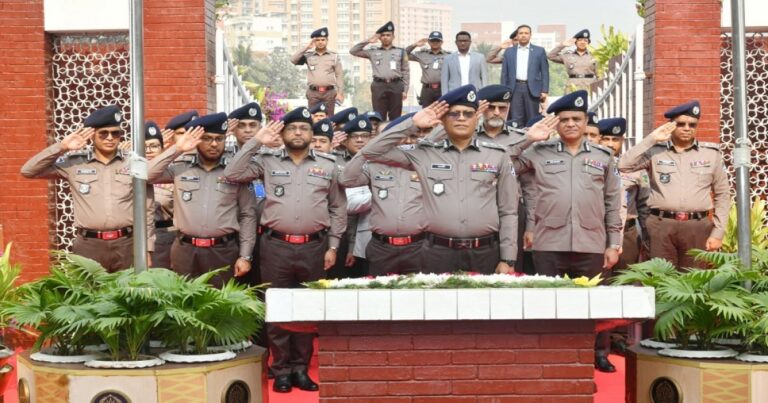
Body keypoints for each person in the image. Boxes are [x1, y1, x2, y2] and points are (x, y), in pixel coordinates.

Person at [223, 106, 346, 393]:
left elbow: (338, 208)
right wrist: (257, 141)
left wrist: (334, 245)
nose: (299, 133)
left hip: (314, 247)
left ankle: (301, 370)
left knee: (306, 310)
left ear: (312, 133)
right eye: (292, 128)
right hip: (275, 246)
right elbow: (233, 171)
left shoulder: (328, 166)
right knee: (277, 311)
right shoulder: (266, 161)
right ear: (283, 132)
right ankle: (280, 371)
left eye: (304, 128)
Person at [510, 90, 621, 372]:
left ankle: (595, 356)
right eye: (564, 119)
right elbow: (503, 161)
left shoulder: (604, 156)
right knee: (549, 305)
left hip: (591, 243)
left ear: (586, 122)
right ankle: (549, 358)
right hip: (550, 243)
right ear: (556, 124)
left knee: (592, 306)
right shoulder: (539, 152)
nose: (571, 124)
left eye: (576, 119)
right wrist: (528, 138)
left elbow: (612, 202)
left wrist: (613, 243)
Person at [360, 85, 519, 274]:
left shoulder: (497, 155)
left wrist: (508, 258)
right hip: (437, 252)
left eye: (468, 114)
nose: (461, 118)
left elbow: (508, 211)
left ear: (477, 117)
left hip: (485, 251)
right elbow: (370, 151)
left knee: (482, 303)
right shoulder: (425, 153)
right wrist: (412, 124)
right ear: (442, 119)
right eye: (454, 114)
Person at [21, 105, 155, 272]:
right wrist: (62, 147)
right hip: (89, 245)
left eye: (115, 133)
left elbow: (147, 208)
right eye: (103, 133)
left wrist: (147, 248)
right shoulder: (74, 163)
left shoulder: (133, 162)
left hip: (127, 243)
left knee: (127, 294)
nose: (110, 138)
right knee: (89, 294)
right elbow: (28, 171)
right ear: (93, 136)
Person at [147, 113, 256, 287]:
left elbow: (247, 215)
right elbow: (146, 175)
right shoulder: (181, 167)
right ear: (197, 140)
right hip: (185, 249)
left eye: (219, 139)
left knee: (219, 305)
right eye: (207, 138)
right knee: (183, 305)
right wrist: (177, 148)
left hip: (223, 251)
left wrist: (245, 256)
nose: (214, 144)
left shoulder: (235, 172)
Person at [618, 100, 730, 269]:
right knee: (662, 280)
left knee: (694, 279)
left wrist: (718, 232)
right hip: (661, 226)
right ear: (671, 125)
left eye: (692, 124)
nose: (687, 128)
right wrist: (652, 139)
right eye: (681, 124)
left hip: (697, 227)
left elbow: (723, 195)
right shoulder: (656, 151)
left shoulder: (711, 154)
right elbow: (624, 165)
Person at [340, 113, 429, 276]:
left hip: (418, 246)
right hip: (382, 248)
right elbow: (347, 180)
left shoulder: (426, 164)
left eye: (414, 137)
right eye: (403, 137)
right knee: (379, 297)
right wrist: (365, 152)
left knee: (417, 297)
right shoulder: (374, 164)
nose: (408, 141)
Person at [598, 117, 650, 271]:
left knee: (626, 283)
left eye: (615, 139)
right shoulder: (591, 167)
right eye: (605, 139)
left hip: (628, 234)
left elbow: (644, 206)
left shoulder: (637, 168)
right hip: (598, 232)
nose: (610, 144)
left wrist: (647, 239)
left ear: (622, 140)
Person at [350, 21, 409, 121]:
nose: (385, 37)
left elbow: (406, 71)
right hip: (379, 86)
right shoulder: (373, 51)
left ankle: (393, 136)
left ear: (393, 37)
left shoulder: (401, 52)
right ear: (379, 37)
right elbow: (353, 51)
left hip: (396, 85)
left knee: (395, 117)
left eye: (388, 35)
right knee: (378, 116)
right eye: (383, 35)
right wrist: (368, 40)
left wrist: (405, 90)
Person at [500, 25, 550, 128]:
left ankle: (532, 142)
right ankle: (516, 141)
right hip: (515, 88)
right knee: (515, 119)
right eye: (521, 33)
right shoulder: (509, 52)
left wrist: (544, 90)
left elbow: (545, 72)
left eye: (526, 33)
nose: (523, 35)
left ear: (530, 35)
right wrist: (504, 91)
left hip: (532, 89)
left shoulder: (539, 51)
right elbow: (505, 73)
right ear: (517, 36)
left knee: (532, 118)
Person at [291, 27, 344, 116]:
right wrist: (307, 47)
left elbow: (339, 75)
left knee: (329, 118)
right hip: (313, 93)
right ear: (314, 42)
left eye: (323, 40)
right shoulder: (308, 55)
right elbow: (293, 60)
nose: (320, 42)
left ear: (327, 41)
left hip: (329, 93)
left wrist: (340, 92)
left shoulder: (334, 56)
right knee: (313, 118)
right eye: (317, 40)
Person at [145, 121, 176, 269]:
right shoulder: (126, 173)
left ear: (163, 149)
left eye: (154, 146)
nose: (149, 150)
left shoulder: (172, 174)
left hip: (164, 237)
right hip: (132, 237)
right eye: (144, 147)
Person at [406, 31, 450, 107]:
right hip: (427, 90)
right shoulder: (422, 54)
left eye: (437, 40)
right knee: (426, 115)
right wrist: (415, 45)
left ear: (442, 42)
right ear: (429, 42)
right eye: (433, 40)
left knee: (443, 113)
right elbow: (403, 55)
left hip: (443, 89)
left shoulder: (449, 56)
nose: (435, 42)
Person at [548, 29, 598, 94]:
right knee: (569, 104)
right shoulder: (568, 56)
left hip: (590, 86)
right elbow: (551, 56)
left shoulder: (594, 56)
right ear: (575, 42)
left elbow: (599, 75)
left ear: (588, 43)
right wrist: (562, 45)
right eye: (580, 40)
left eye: (585, 40)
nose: (582, 42)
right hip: (572, 87)